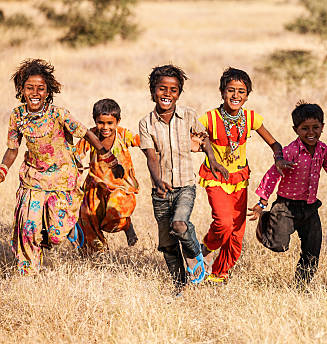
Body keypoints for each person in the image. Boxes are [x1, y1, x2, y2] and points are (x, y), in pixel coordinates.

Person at [0, 59, 124, 275]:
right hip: (33, 180)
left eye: (41, 88)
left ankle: (58, 233)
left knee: (57, 234)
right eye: (30, 88)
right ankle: (28, 275)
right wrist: (3, 169)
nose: (35, 92)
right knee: (28, 228)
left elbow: (86, 133)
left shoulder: (59, 114)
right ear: (22, 89)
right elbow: (12, 149)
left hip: (62, 179)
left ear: (48, 91)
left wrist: (108, 157)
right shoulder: (17, 116)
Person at [197, 67, 294, 284]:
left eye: (241, 91)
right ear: (222, 92)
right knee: (223, 223)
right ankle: (204, 248)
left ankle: (218, 275)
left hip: (240, 180)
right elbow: (194, 139)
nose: (235, 96)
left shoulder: (250, 118)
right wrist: (204, 150)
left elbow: (274, 143)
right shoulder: (209, 118)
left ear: (247, 95)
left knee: (236, 234)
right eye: (231, 90)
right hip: (215, 178)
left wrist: (278, 157)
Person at [248, 102, 327, 286]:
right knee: (279, 245)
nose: (311, 132)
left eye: (316, 127)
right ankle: (267, 221)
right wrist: (262, 202)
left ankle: (301, 285)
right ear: (295, 130)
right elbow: (273, 174)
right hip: (285, 207)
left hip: (309, 208)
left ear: (323, 127)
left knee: (313, 249)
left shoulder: (323, 150)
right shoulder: (291, 151)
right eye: (304, 128)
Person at [139, 64, 228, 288]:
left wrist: (213, 159)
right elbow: (151, 157)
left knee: (179, 224)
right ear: (152, 92)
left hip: (185, 187)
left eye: (173, 90)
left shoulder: (188, 115)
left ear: (179, 93)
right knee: (168, 244)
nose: (167, 94)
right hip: (160, 191)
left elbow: (203, 137)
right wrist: (158, 181)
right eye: (162, 89)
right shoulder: (145, 124)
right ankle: (180, 285)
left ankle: (195, 255)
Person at [74, 98, 140, 252]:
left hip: (120, 187)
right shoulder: (91, 136)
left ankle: (126, 225)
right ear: (95, 120)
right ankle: (99, 255)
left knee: (114, 213)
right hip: (95, 186)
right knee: (88, 217)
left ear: (117, 121)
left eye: (110, 123)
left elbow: (142, 141)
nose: (105, 127)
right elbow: (76, 155)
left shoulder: (123, 135)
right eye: (100, 122)